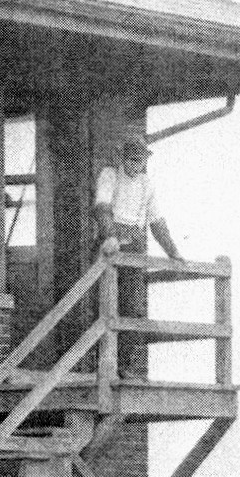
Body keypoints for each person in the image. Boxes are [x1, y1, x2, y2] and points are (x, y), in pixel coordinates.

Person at [94, 136, 182, 380]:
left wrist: (173, 252)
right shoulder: (110, 175)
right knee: (104, 302)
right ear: (123, 158)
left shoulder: (146, 184)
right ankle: (102, 365)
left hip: (133, 246)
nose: (136, 165)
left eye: (140, 161)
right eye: (132, 160)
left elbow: (156, 221)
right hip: (109, 243)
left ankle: (124, 365)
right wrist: (109, 235)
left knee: (131, 306)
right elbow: (102, 207)